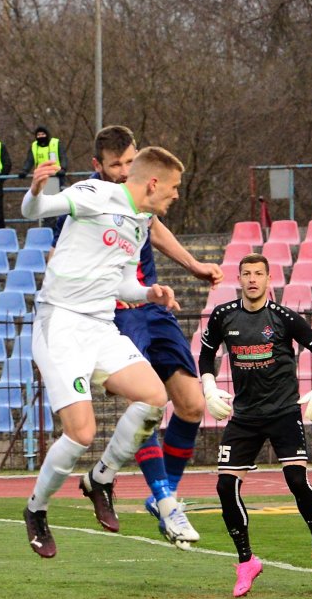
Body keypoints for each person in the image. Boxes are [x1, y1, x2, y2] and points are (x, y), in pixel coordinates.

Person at [53, 126, 223, 547]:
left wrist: (193, 265)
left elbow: (155, 228)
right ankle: (166, 502)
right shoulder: (86, 200)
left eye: (130, 162)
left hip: (151, 303)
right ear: (98, 167)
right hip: (115, 310)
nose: (125, 170)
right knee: (146, 398)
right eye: (116, 165)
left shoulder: (141, 201)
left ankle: (163, 494)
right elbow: (63, 254)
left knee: (191, 404)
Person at [16, 148, 185, 558]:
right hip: (61, 324)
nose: (176, 196)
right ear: (153, 183)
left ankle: (101, 478)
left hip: (100, 326)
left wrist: (150, 293)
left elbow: (123, 283)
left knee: (154, 397)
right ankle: (36, 510)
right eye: (174, 188)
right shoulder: (95, 193)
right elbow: (34, 210)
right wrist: (36, 189)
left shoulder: (142, 223)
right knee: (82, 433)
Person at [198, 254, 312, 596]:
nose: (252, 279)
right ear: (239, 278)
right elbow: (206, 354)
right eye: (246, 274)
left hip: (283, 412)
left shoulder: (283, 318)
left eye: (258, 274)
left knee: (295, 480)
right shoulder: (222, 316)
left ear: (268, 279)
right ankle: (247, 562)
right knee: (224, 488)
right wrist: (209, 386)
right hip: (244, 416)